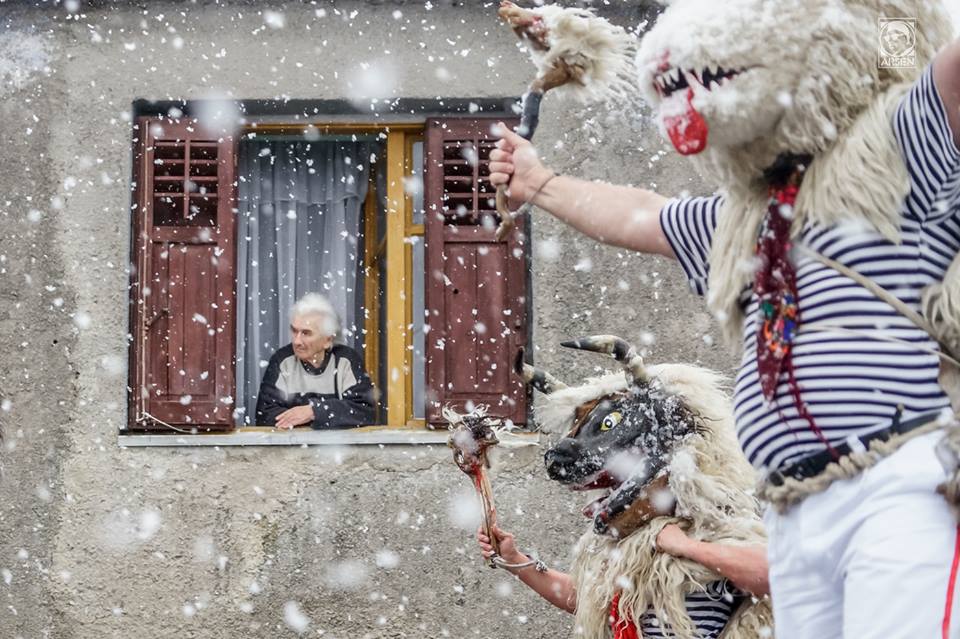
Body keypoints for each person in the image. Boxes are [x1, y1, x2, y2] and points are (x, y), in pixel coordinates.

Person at [489, 33, 960, 639]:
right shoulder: (744, 222)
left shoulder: (903, 180)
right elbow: (639, 214)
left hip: (898, 476)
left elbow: (932, 72)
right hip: (797, 496)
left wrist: (884, 27)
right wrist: (538, 183)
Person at [255, 293, 376, 429]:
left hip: (340, 443)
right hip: (292, 443)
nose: (297, 341)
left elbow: (364, 413)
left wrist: (314, 412)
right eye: (294, 331)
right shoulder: (282, 361)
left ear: (328, 340)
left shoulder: (346, 360)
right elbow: (265, 416)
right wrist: (322, 418)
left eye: (306, 333)